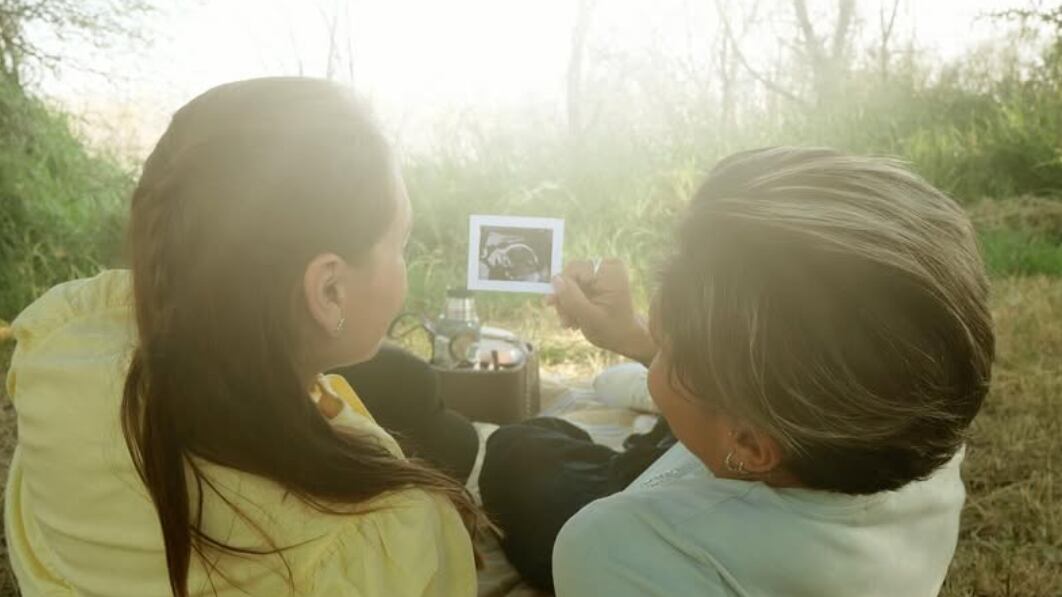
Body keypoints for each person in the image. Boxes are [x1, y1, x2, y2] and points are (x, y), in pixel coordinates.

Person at [4, 77, 486, 596]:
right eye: (401, 244)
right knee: (450, 433)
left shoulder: (59, 347)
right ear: (329, 291)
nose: (404, 262)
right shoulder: (384, 543)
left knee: (409, 384)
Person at [481, 147, 994, 596]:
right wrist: (635, 338)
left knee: (518, 449)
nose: (656, 344)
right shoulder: (915, 418)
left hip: (633, 490)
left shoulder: (617, 546)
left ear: (748, 446)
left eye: (665, 348)